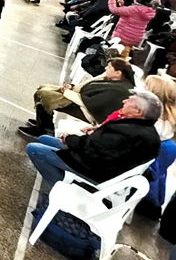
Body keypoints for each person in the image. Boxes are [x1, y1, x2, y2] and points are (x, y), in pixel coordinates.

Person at [25, 89, 162, 187]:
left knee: (34, 149)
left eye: (129, 101)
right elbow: (102, 146)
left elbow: (91, 149)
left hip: (94, 169)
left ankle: (62, 189)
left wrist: (69, 140)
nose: (124, 101)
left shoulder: (127, 131)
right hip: (104, 165)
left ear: (138, 112)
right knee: (44, 139)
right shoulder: (146, 131)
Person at [20, 58, 136, 139]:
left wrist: (68, 93)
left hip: (88, 110)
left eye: (109, 67)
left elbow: (94, 104)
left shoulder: (119, 90)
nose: (106, 68)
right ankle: (43, 123)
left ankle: (43, 130)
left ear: (118, 73)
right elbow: (88, 86)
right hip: (80, 98)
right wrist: (72, 87)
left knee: (45, 96)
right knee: (44, 88)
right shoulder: (111, 79)